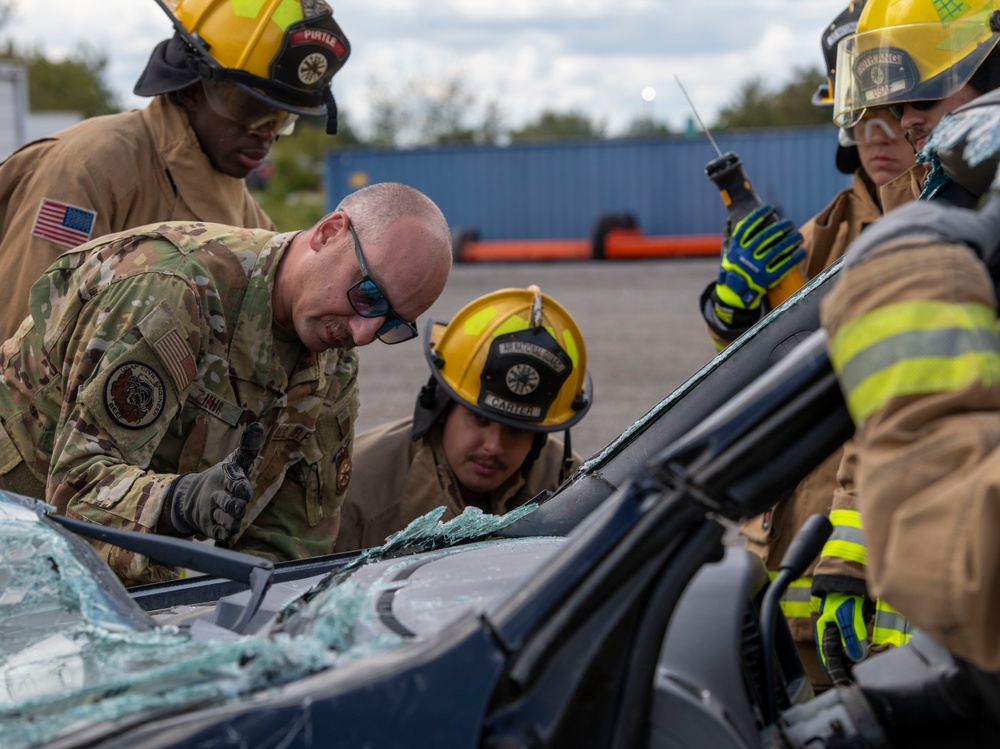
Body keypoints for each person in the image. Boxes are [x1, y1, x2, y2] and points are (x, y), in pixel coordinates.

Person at [0, 181, 452, 586]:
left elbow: (294, 540)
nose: (363, 334)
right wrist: (179, 502)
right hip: (19, 530)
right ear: (329, 232)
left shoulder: (332, 351)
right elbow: (75, 489)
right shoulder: (171, 290)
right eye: (368, 295)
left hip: (112, 577)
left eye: (392, 324)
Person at [697, 1, 919, 691]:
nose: (876, 134)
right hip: (796, 569)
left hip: (904, 571)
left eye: (895, 109)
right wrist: (732, 314)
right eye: (860, 114)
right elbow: (755, 385)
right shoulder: (814, 242)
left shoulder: (953, 228)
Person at [809, 0, 1000, 685]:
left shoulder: (955, 224)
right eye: (886, 101)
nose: (900, 119)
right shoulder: (949, 209)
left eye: (926, 90)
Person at [0, 0, 351, 341]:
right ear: (193, 90)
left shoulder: (249, 216)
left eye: (281, 119)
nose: (266, 133)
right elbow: (25, 348)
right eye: (249, 108)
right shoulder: (85, 171)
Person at [336, 286, 593, 552]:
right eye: (479, 419)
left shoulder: (573, 488)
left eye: (517, 431)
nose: (493, 446)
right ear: (441, 409)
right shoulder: (355, 489)